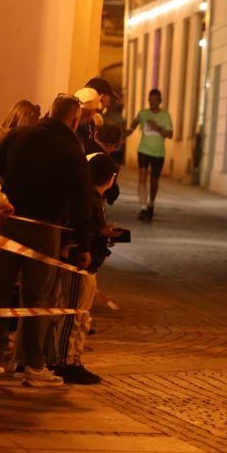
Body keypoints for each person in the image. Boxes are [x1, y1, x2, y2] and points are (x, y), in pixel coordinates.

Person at [0, 94, 91, 387]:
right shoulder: (72, 149)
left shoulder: (19, 135)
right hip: (45, 229)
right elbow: (81, 201)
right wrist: (83, 245)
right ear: (74, 119)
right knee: (36, 299)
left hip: (9, 222)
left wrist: (5, 190)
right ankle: (32, 364)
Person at [54, 152, 119, 386]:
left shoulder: (91, 199)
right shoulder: (86, 200)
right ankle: (65, 362)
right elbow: (78, 229)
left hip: (89, 265)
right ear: (111, 178)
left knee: (81, 315)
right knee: (73, 314)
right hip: (79, 265)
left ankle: (74, 360)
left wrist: (103, 235)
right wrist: (98, 235)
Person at [127, 89, 173, 221]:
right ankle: (143, 207)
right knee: (142, 178)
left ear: (160, 101)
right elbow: (134, 123)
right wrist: (130, 128)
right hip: (143, 150)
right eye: (151, 100)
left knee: (154, 181)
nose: (153, 103)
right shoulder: (143, 113)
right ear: (148, 100)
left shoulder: (165, 115)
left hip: (158, 153)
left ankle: (151, 204)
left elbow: (170, 134)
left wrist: (158, 127)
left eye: (155, 100)